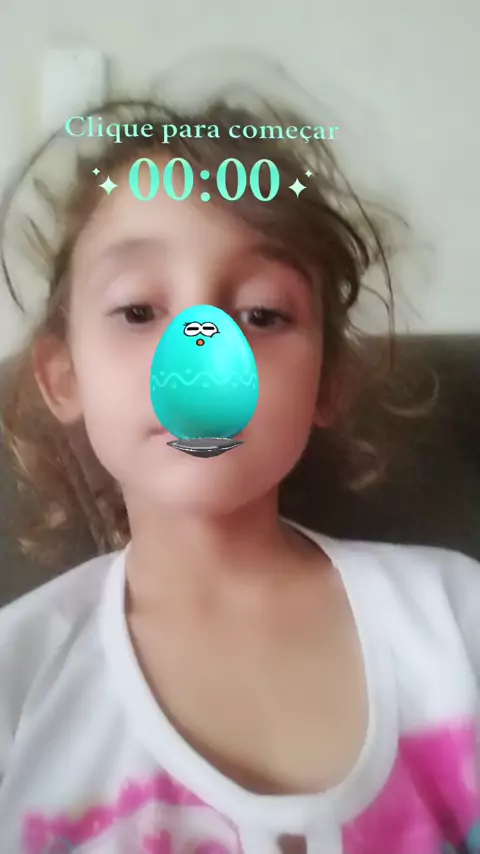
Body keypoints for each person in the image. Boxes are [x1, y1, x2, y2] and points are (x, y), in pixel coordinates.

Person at [0, 94, 479, 854]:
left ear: (326, 383)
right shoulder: (18, 682)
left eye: (261, 315)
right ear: (63, 377)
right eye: (138, 310)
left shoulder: (455, 621)